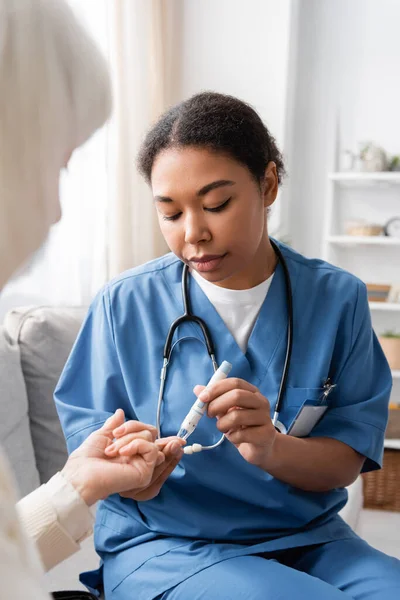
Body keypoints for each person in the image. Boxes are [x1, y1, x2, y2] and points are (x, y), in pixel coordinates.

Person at [55, 91, 400, 600]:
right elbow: (95, 468)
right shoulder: (123, 305)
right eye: (170, 214)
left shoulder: (336, 298)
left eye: (216, 204)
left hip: (310, 541)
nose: (194, 233)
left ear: (268, 183)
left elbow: (347, 460)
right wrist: (139, 474)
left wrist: (271, 447)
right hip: (166, 545)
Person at [0, 1, 183, 598]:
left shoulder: (327, 294)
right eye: (59, 161)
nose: (55, 210)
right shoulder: (124, 301)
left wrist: (76, 484)